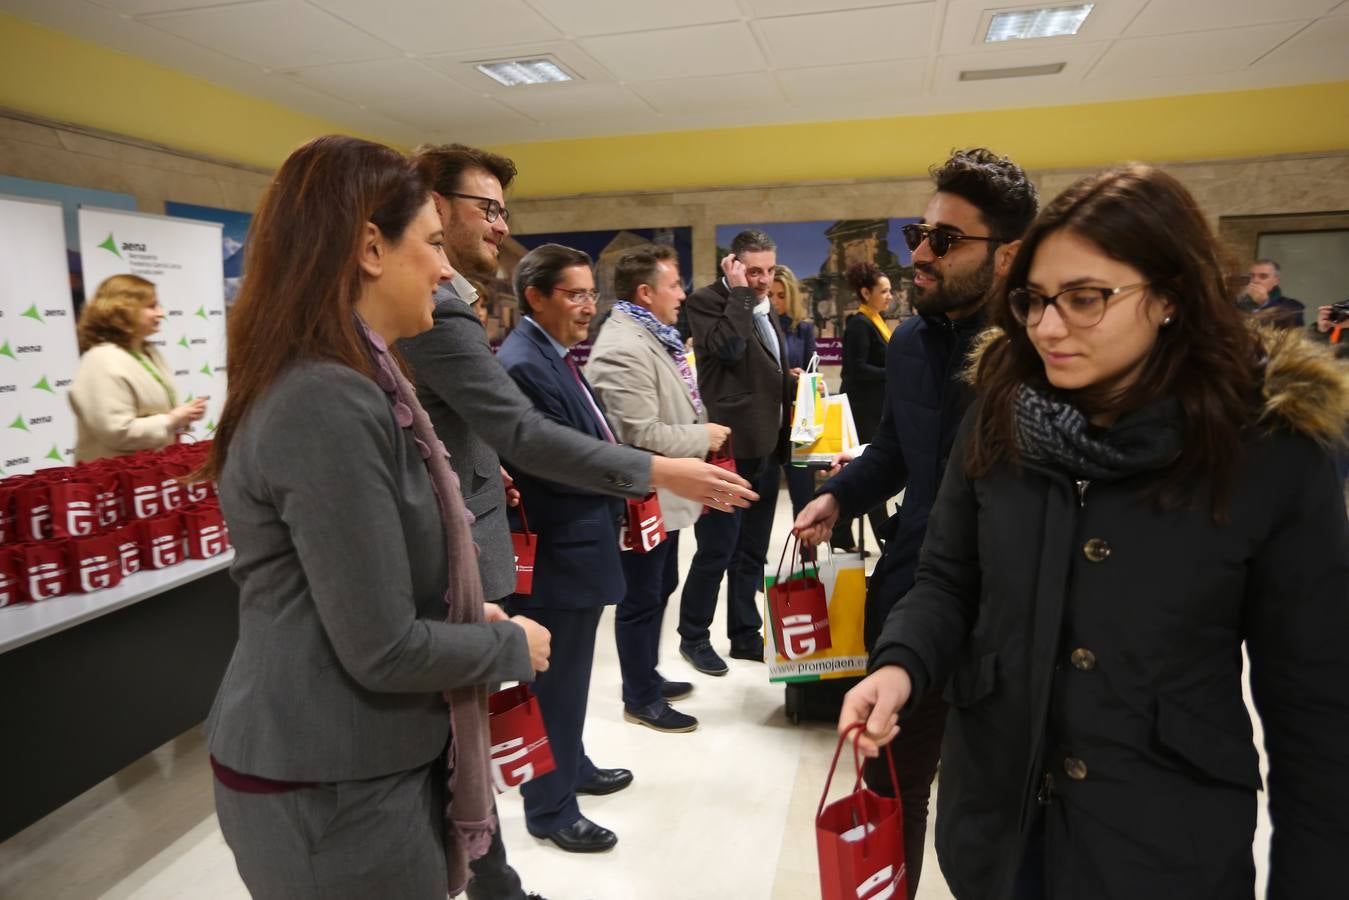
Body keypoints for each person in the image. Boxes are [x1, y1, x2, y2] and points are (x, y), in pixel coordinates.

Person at [841, 164, 1349, 899]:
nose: (1048, 327)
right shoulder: (998, 409)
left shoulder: (1267, 449)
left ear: (1170, 297)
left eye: (1085, 299)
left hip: (1160, 842)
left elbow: (1314, 707)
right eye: (1035, 301)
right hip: (997, 827)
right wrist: (900, 667)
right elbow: (948, 577)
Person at [398, 144, 754, 896]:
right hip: (532, 546)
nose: (498, 225)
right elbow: (526, 437)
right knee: (518, 704)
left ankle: (558, 784)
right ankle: (544, 809)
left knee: (556, 687)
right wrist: (659, 468)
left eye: (504, 210)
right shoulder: (463, 324)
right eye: (482, 210)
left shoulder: (546, 348)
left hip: (546, 536)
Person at [201, 135, 551, 900]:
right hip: (328, 780)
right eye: (431, 243)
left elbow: (370, 578)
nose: (446, 267)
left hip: (355, 764)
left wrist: (461, 608)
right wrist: (503, 643)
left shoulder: (358, 381)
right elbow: (381, 651)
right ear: (368, 248)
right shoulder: (326, 398)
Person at [794, 148, 1037, 897]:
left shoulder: (1039, 355)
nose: (919, 256)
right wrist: (841, 496)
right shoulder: (907, 343)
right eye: (915, 236)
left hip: (1012, 616)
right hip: (912, 595)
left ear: (1008, 257)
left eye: (943, 241)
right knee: (891, 779)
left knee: (996, 806)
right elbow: (899, 449)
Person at [497, 244, 632, 855]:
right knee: (555, 681)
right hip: (557, 550)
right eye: (574, 295)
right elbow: (555, 465)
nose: (588, 307)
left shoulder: (553, 355)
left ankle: (571, 764)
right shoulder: (524, 363)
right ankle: (550, 809)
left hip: (581, 539)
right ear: (535, 296)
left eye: (590, 294)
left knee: (573, 677)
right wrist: (639, 477)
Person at [587, 244, 728, 734]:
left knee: (660, 586)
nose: (682, 294)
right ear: (645, 292)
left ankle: (647, 673)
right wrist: (702, 437)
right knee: (640, 597)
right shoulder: (624, 346)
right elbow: (637, 435)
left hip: (664, 499)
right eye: (674, 284)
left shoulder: (654, 335)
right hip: (639, 500)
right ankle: (640, 697)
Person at [678, 229, 795, 676]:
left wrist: (792, 382)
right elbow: (727, 348)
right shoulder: (708, 301)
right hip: (727, 450)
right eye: (754, 270)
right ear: (733, 266)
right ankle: (693, 636)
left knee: (752, 551)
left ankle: (744, 633)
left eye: (769, 270)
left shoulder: (762, 306)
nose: (764, 279)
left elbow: (761, 369)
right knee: (717, 550)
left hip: (766, 445)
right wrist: (742, 295)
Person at [68, 274, 207, 462]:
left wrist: (183, 416)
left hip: (148, 473)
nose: (161, 313)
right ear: (122, 310)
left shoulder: (147, 351)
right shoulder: (101, 359)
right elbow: (116, 432)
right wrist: (172, 419)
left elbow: (151, 413)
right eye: (151, 307)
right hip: (115, 482)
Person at [831, 260, 893, 552]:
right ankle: (884, 542)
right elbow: (855, 370)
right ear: (866, 293)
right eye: (884, 291)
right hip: (861, 412)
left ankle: (848, 536)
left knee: (869, 475)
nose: (890, 296)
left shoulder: (875, 321)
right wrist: (893, 372)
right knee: (871, 474)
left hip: (873, 409)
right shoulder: (859, 323)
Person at [772, 264, 818, 516]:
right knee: (762, 501)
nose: (775, 302)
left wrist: (809, 378)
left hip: (798, 422)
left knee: (804, 499)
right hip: (768, 420)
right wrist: (783, 376)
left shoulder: (804, 329)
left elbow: (812, 368)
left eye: (781, 295)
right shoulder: (758, 327)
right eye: (770, 295)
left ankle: (807, 555)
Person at [1245, 258, 1305, 328]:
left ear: (1276, 281)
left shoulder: (1292, 305)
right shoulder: (1237, 303)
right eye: (1251, 276)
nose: (1255, 281)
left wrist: (1265, 303)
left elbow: (1291, 323)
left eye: (1263, 276)